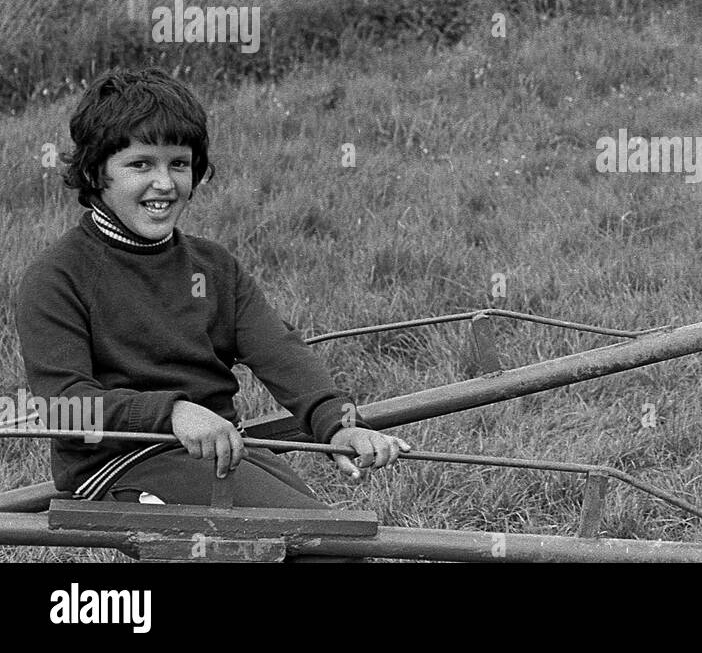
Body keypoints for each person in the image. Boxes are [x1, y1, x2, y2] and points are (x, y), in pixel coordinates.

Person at [17, 67, 409, 513]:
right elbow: (63, 409)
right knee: (316, 540)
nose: (164, 183)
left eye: (178, 164)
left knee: (335, 541)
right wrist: (172, 413)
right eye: (140, 164)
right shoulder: (57, 277)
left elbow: (278, 351)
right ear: (95, 171)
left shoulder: (214, 266)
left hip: (220, 449)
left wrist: (339, 425)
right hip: (120, 465)